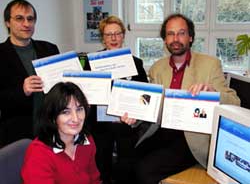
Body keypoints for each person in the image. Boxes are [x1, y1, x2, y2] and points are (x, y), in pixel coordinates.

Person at [121, 13, 240, 184]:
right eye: (170, 33)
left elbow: (235, 102)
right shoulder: (157, 68)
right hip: (161, 131)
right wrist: (135, 117)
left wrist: (212, 92)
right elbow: (151, 108)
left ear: (190, 37)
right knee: (124, 165)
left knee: (145, 171)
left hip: (192, 138)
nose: (175, 38)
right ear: (165, 39)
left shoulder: (210, 64)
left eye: (181, 33)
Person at [84, 15, 148, 184]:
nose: (113, 38)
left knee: (126, 167)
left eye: (117, 33)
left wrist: (136, 111)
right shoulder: (92, 63)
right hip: (100, 125)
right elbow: (84, 93)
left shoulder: (136, 63)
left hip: (126, 124)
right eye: (108, 34)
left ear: (123, 35)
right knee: (101, 166)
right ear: (103, 38)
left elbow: (145, 96)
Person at [0, 0, 59, 147]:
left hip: (50, 129)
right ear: (7, 22)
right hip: (17, 133)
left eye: (30, 19)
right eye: (19, 18)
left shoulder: (50, 49)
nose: (26, 24)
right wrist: (22, 90)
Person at [21, 82, 101, 184]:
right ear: (53, 117)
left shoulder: (86, 140)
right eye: (66, 112)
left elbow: (94, 180)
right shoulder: (38, 153)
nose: (76, 119)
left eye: (79, 109)